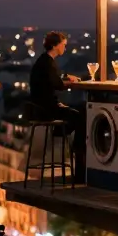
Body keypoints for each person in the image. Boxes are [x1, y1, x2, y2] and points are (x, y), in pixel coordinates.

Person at [29, 31, 86, 173]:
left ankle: (62, 132)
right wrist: (70, 81)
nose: (65, 48)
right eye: (63, 45)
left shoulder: (44, 61)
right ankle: (78, 151)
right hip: (47, 109)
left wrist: (66, 76)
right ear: (55, 45)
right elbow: (58, 84)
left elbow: (52, 77)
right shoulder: (48, 63)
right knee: (81, 116)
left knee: (77, 114)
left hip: (41, 107)